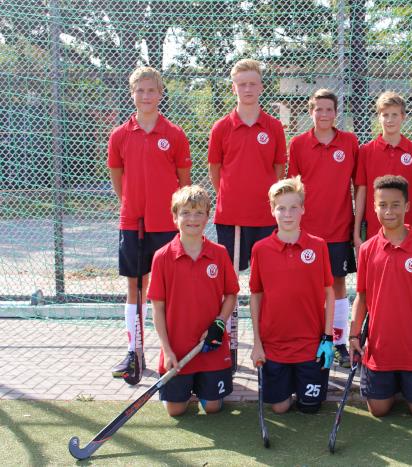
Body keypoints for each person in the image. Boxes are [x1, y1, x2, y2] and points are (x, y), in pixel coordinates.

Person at [107, 66, 192, 380]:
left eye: (151, 90)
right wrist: (131, 204)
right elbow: (118, 178)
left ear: (160, 94)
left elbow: (184, 185)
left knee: (170, 288)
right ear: (132, 94)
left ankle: (172, 350)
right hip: (133, 223)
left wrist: (171, 214)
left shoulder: (175, 134)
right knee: (135, 286)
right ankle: (134, 351)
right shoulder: (119, 135)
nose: (146, 96)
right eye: (140, 91)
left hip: (166, 224)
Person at [349, 175, 412, 419]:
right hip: (381, 349)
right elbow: (361, 296)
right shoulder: (367, 249)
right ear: (374, 207)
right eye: (382, 205)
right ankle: (394, 384)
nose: (389, 211)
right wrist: (353, 335)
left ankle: (406, 385)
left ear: (407, 206)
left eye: (395, 205)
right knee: (378, 410)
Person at [148, 185, 239, 416]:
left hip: (211, 346)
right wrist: (167, 350)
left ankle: (202, 389)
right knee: (175, 410)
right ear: (175, 217)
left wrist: (220, 322)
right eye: (186, 213)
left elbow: (231, 294)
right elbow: (157, 308)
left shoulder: (219, 253)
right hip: (178, 350)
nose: (192, 219)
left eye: (199, 213)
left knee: (212, 407)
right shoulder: (162, 257)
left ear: (207, 217)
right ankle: (184, 391)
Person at [249, 177, 335, 414]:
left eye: (294, 207)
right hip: (274, 345)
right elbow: (256, 295)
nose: (287, 214)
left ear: (303, 209)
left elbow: (329, 293)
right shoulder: (260, 249)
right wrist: (257, 343)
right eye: (281, 208)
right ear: (272, 210)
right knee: (279, 408)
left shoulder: (318, 245)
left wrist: (328, 338)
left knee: (310, 407)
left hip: (310, 345)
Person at [288, 89, 359, 368]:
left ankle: (338, 342)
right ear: (311, 112)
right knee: (307, 286)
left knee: (338, 285)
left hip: (339, 227)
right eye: (319, 109)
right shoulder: (298, 144)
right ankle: (309, 339)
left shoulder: (349, 142)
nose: (324, 114)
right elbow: (293, 189)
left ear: (336, 112)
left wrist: (357, 225)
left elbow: (358, 185)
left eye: (329, 109)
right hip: (307, 231)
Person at [208, 58, 287, 271]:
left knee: (266, 274)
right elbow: (214, 169)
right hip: (231, 215)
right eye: (242, 84)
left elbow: (279, 168)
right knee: (230, 275)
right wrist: (229, 196)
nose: (248, 89)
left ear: (261, 87)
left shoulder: (274, 126)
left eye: (253, 84)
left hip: (265, 214)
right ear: (233, 88)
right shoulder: (221, 127)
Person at [353, 91, 412, 246]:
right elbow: (361, 192)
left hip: (407, 231)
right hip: (374, 232)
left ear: (403, 117)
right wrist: (356, 231)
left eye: (394, 115)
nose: (390, 120)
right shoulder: (366, 151)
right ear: (379, 117)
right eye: (385, 115)